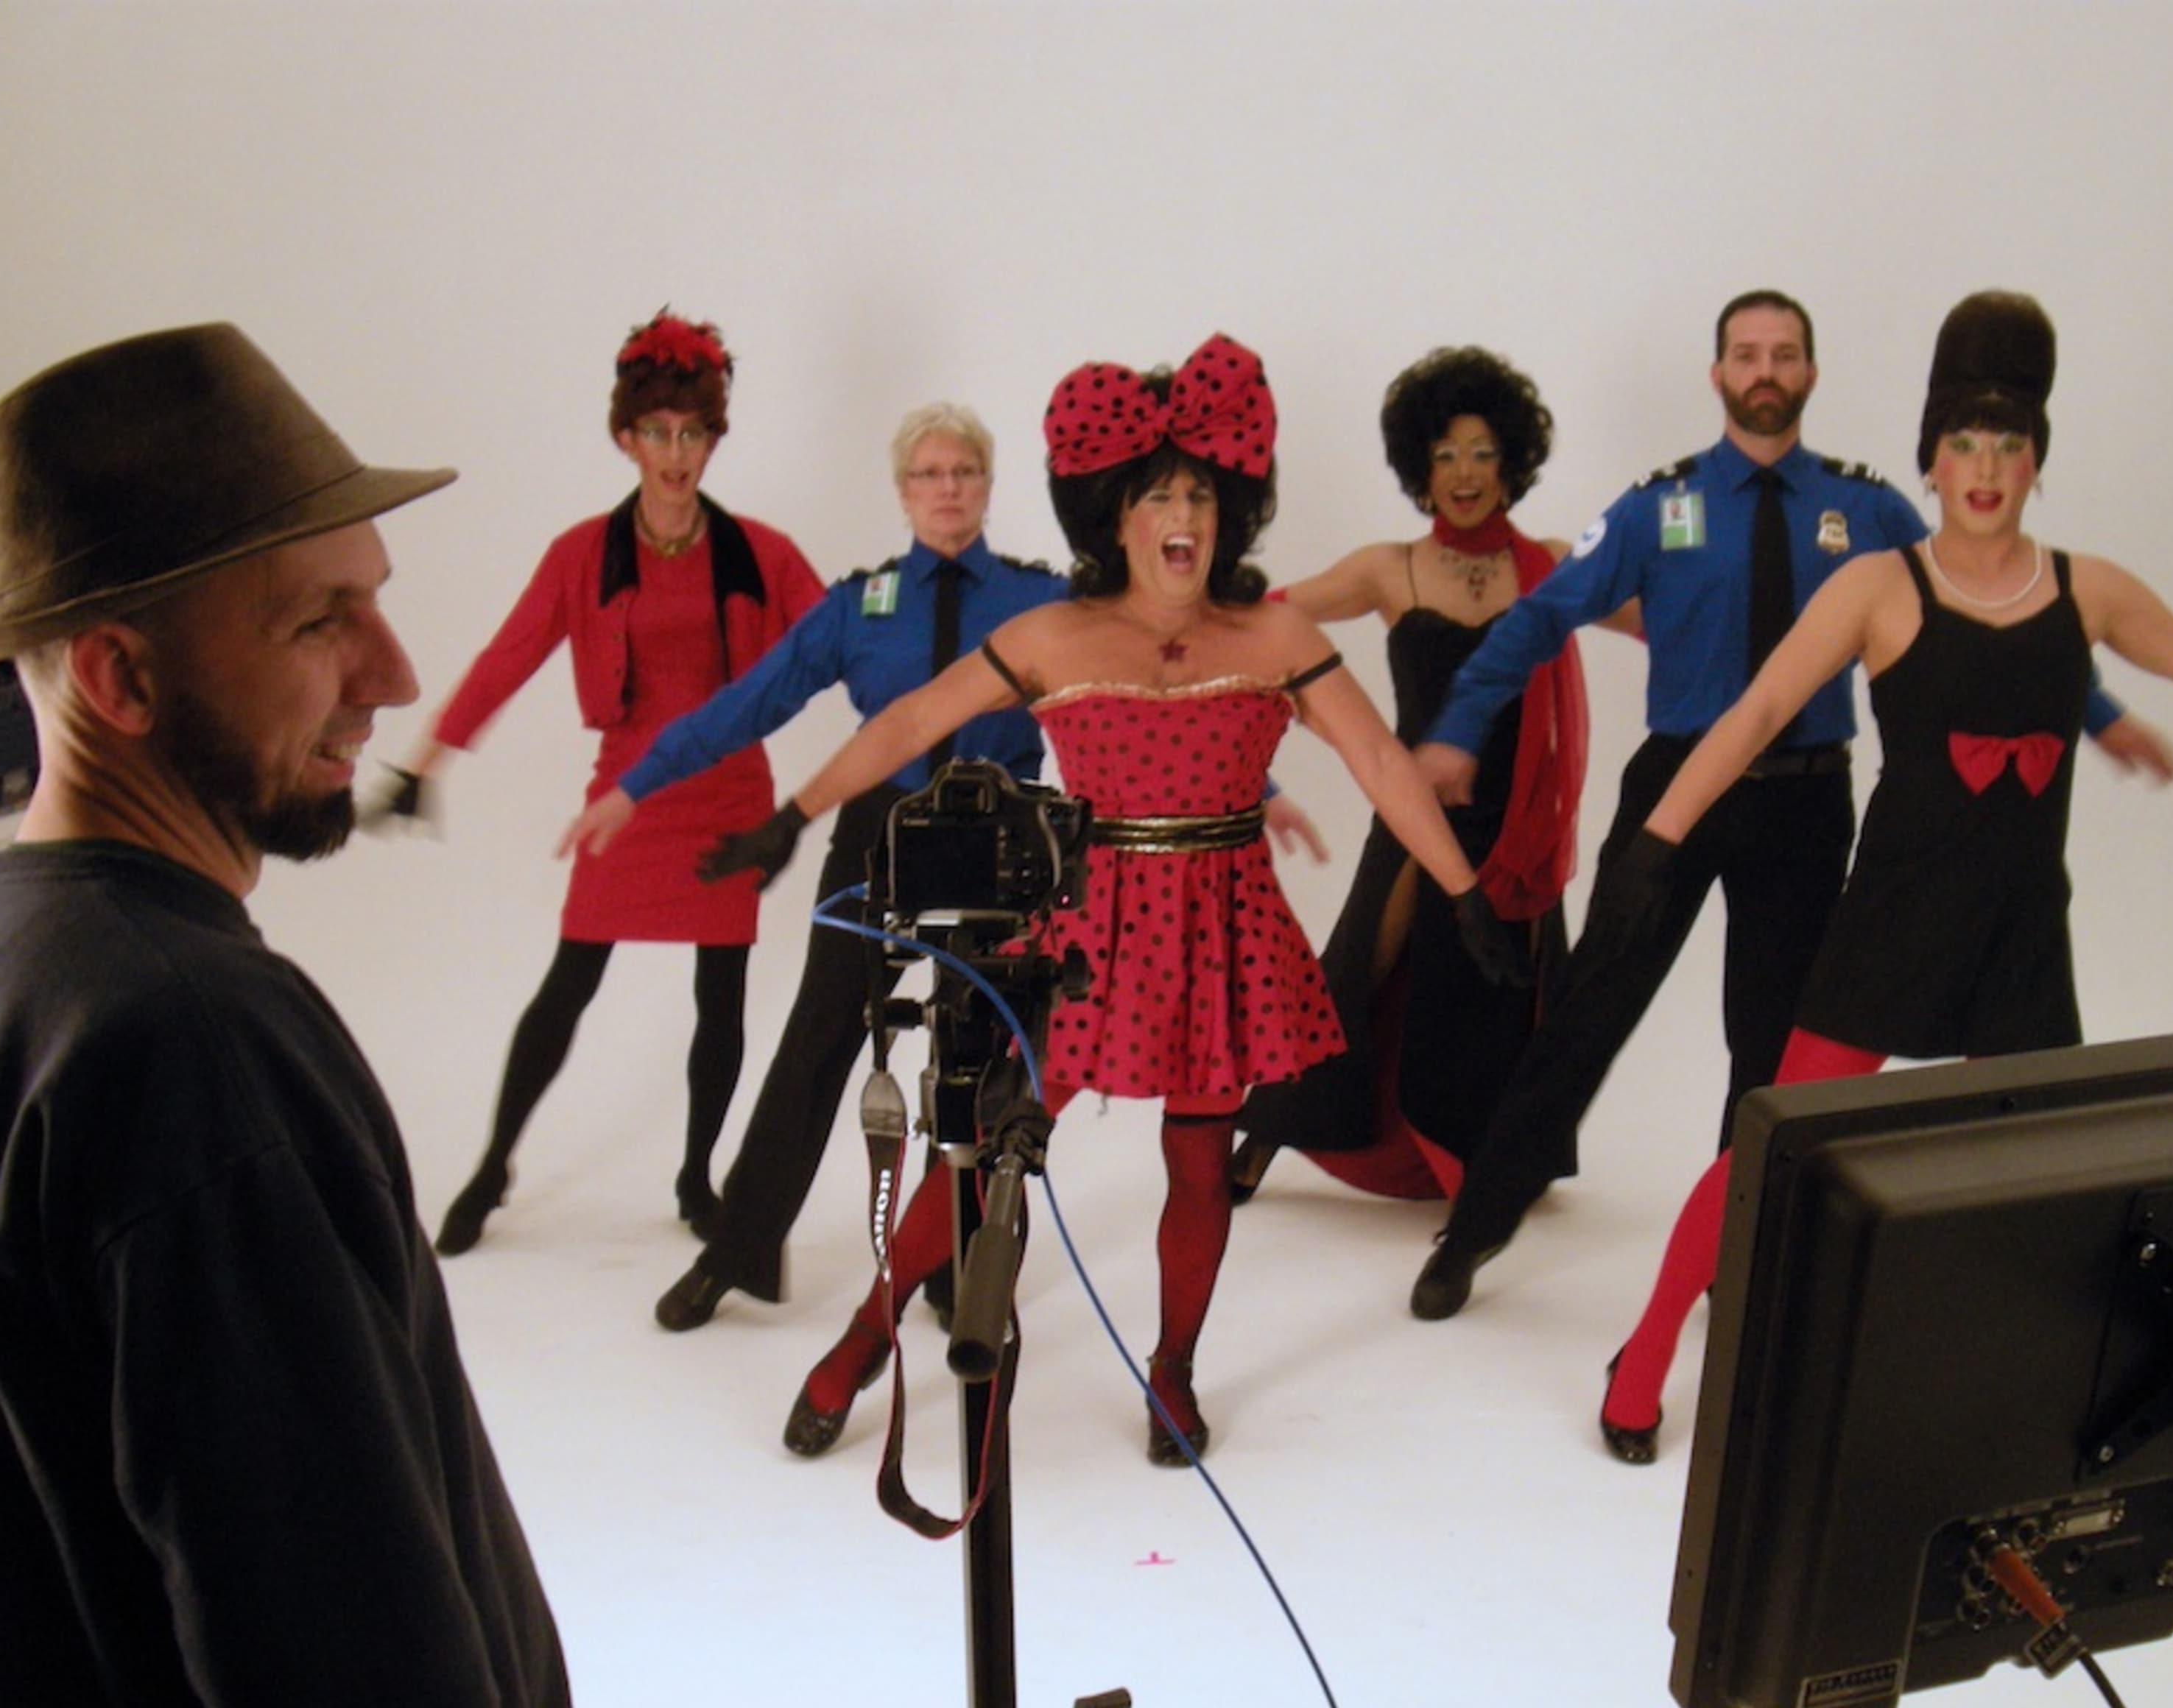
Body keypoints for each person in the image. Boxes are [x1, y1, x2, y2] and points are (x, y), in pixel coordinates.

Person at [0, 324, 627, 1708]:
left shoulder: (21, 964)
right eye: (314, 621)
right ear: (122, 683)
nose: (390, 670)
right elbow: (331, 1653)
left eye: (371, 601)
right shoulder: (180, 1039)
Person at [1591, 290, 2173, 1462]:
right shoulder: (1878, 586)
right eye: (1963, 445)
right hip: (1891, 922)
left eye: (2009, 446)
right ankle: (1641, 1361)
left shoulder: (2090, 590)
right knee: (1765, 1147)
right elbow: (1755, 715)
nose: (1984, 468)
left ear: (2036, 463)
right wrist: (1657, 842)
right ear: (1931, 463)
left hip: (2018, 934)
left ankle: (2003, 1400)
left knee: (2046, 1183)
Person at [702, 334, 1527, 1463]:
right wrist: (789, 820)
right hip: (1086, 929)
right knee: (991, 1148)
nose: (1180, 513)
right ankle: (864, 1338)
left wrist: (1465, 890)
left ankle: (1173, 1371)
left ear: (1229, 505)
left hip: (1222, 925)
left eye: (1199, 490)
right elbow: (905, 725)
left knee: (1199, 1163)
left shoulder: (1275, 632)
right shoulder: (1055, 634)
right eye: (1154, 495)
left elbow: (1383, 762)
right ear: (1115, 517)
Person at [1405, 290, 2173, 1321]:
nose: (1764, 370)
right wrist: (1461, 722)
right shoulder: (1658, 507)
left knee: (1770, 1051)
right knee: (1589, 1011)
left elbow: (1996, 619)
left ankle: (1744, 1253)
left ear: (1811, 373)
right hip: (1681, 789)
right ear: (1717, 373)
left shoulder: (1868, 512)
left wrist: (2100, 713)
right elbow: (1544, 612)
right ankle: (1475, 1229)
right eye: (1745, 354)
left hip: (1808, 806)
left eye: (1784, 354)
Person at [552, 403, 1063, 1332]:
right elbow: (748, 703)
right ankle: (739, 1248)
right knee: (819, 1033)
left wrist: (1254, 793)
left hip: (999, 837)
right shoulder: (860, 604)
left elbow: (1126, 698)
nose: (947, 491)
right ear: (902, 491)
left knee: (984, 1057)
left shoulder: (1040, 601)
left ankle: (962, 1265)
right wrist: (634, 788)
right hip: (880, 827)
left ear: (988, 486)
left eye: (965, 473)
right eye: (929, 474)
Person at [401, 310, 824, 1256]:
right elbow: (506, 659)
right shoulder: (582, 556)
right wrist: (424, 761)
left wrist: (940, 685)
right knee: (567, 987)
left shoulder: (760, 551)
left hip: (728, 796)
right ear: (627, 439)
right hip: (623, 795)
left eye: (693, 433)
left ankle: (695, 1175)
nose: (676, 454)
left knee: (721, 998)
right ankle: (493, 1163)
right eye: (657, 434)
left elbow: (842, 639)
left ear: (714, 439)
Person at [1230, 346, 1608, 1201]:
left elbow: (1652, 610)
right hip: (1411, 815)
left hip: (1519, 827)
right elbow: (1264, 621)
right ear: (1419, 469)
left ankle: (1482, 1167)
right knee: (1352, 977)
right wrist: (1188, 608)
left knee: (1501, 1001)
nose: (1465, 473)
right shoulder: (1386, 567)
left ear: (1511, 460)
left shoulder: (1551, 561)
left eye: (1482, 452)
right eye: (1445, 455)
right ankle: (1266, 1134)